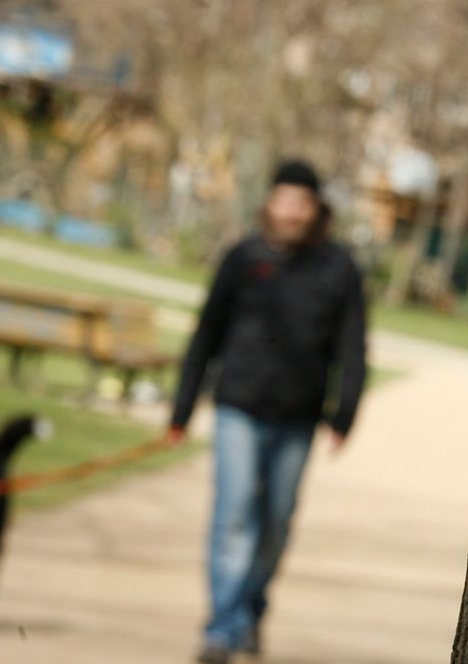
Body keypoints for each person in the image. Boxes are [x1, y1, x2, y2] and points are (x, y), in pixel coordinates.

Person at [166, 160, 367, 664]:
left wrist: (344, 414)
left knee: (275, 524)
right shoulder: (242, 257)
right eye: (284, 200)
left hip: (298, 417)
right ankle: (222, 629)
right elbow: (205, 332)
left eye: (302, 203)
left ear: (317, 210)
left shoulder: (338, 267)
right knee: (233, 517)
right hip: (237, 406)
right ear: (269, 203)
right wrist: (182, 408)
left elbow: (353, 345)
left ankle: (250, 609)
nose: (292, 212)